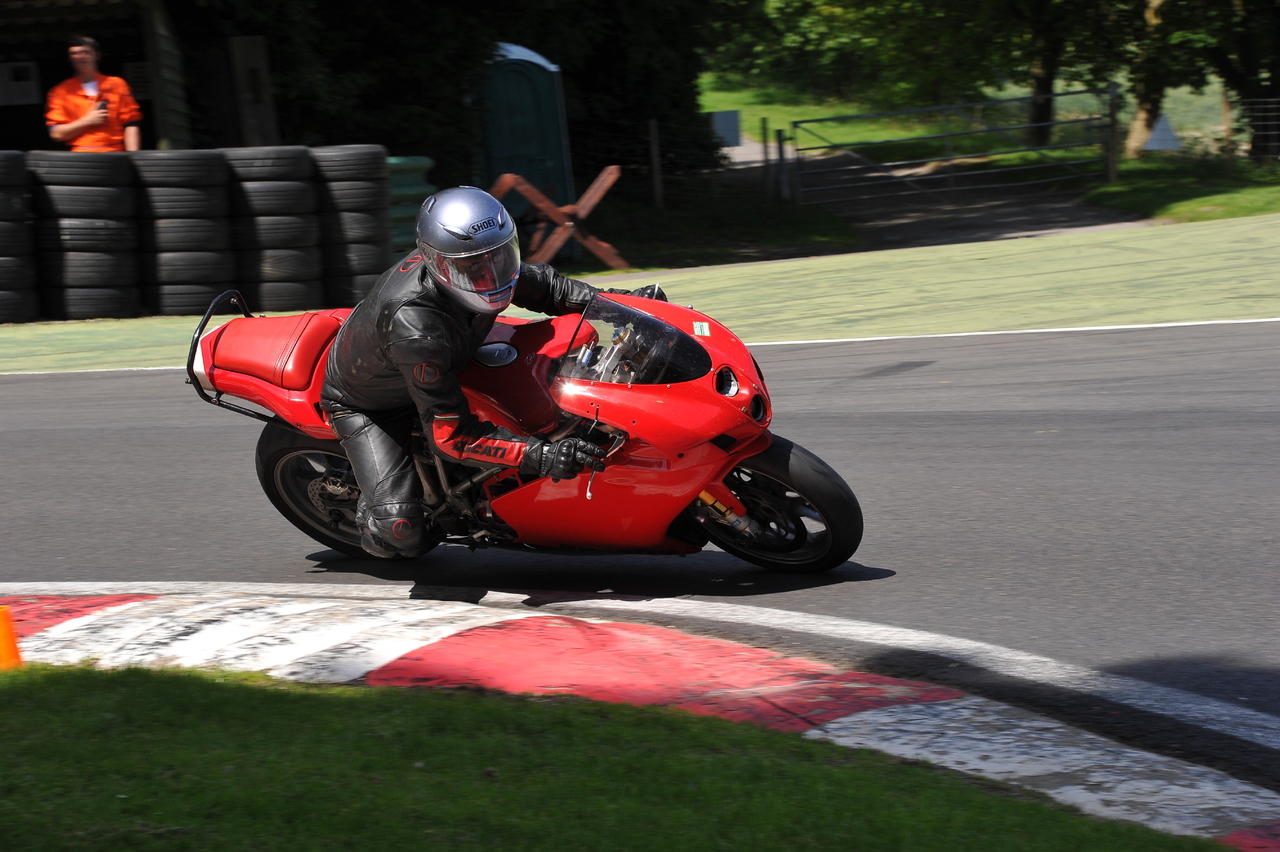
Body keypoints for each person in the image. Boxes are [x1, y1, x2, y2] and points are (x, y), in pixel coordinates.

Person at [321, 186, 664, 559]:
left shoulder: (477, 264)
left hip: (448, 357)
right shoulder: (416, 328)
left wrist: (623, 306)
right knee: (402, 535)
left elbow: (549, 287)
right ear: (438, 264)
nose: (491, 274)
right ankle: (370, 514)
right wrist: (543, 457)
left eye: (499, 257)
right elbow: (453, 438)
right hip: (374, 403)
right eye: (473, 268)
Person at [45, 35, 142, 153]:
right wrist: (88, 120)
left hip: (116, 153)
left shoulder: (117, 84)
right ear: (69, 58)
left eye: (86, 52)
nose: (81, 57)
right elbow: (56, 134)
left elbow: (131, 123)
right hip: (81, 156)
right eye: (74, 53)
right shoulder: (59, 92)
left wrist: (133, 156)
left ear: (97, 55)